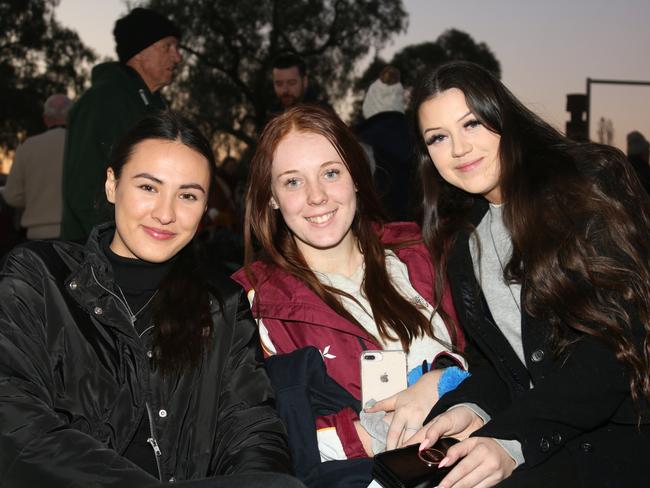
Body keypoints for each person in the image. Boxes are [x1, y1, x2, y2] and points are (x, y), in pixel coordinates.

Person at [0, 111, 301, 488]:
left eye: (188, 195)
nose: (165, 213)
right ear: (112, 185)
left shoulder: (220, 304)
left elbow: (251, 429)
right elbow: (15, 420)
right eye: (148, 187)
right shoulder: (40, 277)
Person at [409, 61, 650, 487]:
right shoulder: (467, 242)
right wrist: (469, 409)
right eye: (439, 138)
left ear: (505, 119)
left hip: (626, 440)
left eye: (472, 124)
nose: (459, 149)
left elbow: (616, 348)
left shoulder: (588, 185)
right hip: (551, 442)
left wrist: (512, 438)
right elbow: (504, 366)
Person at [232, 105, 467, 481]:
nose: (317, 197)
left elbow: (501, 368)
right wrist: (372, 435)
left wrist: (442, 380)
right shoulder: (252, 305)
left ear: (356, 176)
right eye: (293, 181)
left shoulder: (424, 255)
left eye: (330, 173)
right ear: (271, 197)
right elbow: (260, 444)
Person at [61, 7, 182, 242]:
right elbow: (85, 189)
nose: (177, 57)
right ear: (140, 52)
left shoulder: (151, 105)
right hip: (101, 259)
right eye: (168, 46)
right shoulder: (104, 100)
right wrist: (116, 251)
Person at [2, 94, 72, 239]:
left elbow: (12, 196)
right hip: (75, 233)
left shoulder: (28, 146)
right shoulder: (82, 145)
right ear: (73, 116)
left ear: (45, 119)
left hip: (37, 236)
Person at [356, 66, 416, 221]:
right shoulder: (419, 139)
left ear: (370, 100)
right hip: (414, 231)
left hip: (377, 230)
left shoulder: (357, 143)